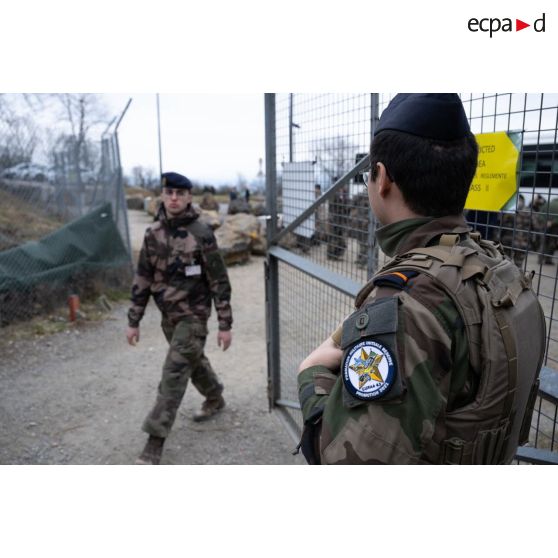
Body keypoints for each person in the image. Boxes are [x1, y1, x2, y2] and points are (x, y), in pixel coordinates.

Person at [296, 94, 545, 465]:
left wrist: (312, 371)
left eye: (368, 176)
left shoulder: (407, 299)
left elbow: (350, 462)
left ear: (381, 179)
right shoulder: (494, 266)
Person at [127, 171, 233, 465]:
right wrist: (133, 320)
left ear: (189, 197)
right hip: (168, 319)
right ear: (163, 195)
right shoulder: (153, 234)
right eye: (169, 192)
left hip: (194, 317)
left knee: (173, 373)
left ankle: (154, 442)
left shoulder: (201, 234)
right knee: (192, 361)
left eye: (180, 193)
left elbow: (219, 283)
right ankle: (215, 397)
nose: (173, 198)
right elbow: (143, 279)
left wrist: (225, 325)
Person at [498, 194, 532, 268]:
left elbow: (501, 225)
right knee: (518, 264)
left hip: (510, 241)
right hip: (521, 241)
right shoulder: (529, 212)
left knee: (506, 262)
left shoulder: (507, 210)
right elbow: (535, 226)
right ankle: (517, 276)